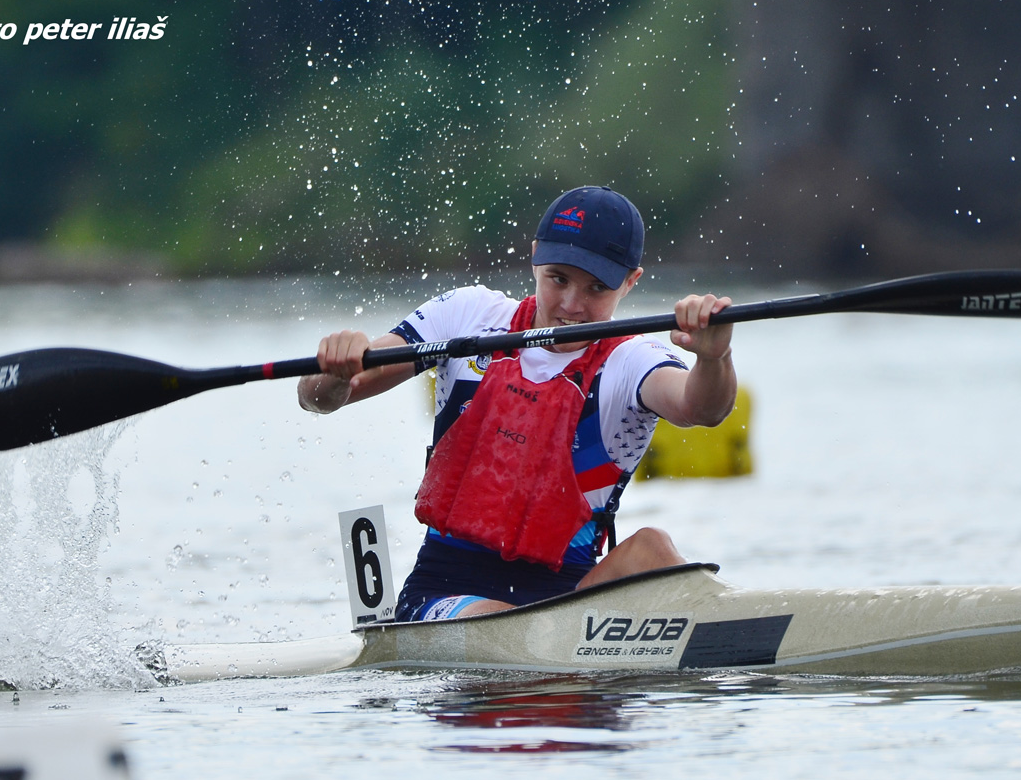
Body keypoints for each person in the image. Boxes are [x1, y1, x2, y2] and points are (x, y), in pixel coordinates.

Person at [298, 186, 735, 621]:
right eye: (559, 279)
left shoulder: (631, 360)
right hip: (444, 593)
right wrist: (335, 371)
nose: (572, 305)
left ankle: (732, 624)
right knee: (494, 617)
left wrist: (713, 358)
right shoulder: (468, 316)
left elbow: (700, 408)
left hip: (570, 600)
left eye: (597, 288)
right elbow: (318, 396)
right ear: (535, 256)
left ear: (630, 282)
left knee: (652, 547)